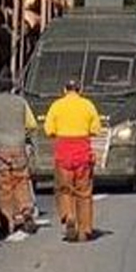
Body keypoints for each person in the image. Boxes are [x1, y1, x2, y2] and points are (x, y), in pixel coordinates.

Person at [0, 70, 39, 235]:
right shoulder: (21, 103)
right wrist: (26, 140)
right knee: (21, 181)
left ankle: (7, 219)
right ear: (11, 88)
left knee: (3, 185)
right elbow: (32, 125)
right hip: (18, 147)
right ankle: (26, 211)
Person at [44, 79, 102, 243]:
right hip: (83, 152)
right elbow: (96, 129)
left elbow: (49, 130)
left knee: (64, 189)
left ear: (64, 90)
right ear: (80, 90)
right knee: (84, 193)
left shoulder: (56, 106)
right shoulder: (88, 105)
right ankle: (84, 230)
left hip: (63, 152)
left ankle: (69, 215)